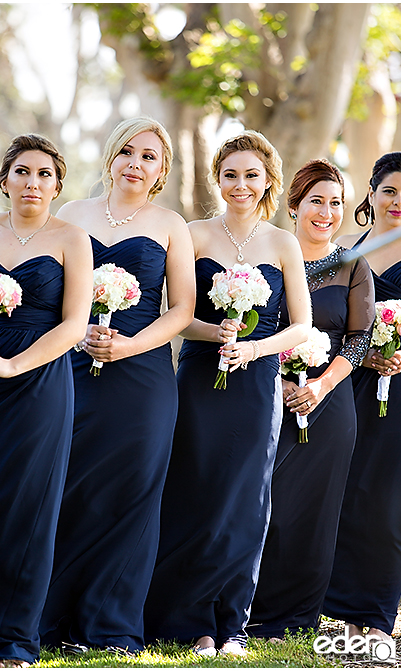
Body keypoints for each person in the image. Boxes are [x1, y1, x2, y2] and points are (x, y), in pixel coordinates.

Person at [143, 130, 311, 657]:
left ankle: (232, 623)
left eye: (251, 175)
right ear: (217, 179)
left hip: (257, 385)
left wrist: (256, 352)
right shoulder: (192, 234)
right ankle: (188, 620)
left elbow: (301, 326)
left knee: (245, 500)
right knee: (194, 492)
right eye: (230, 174)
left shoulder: (283, 243)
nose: (240, 184)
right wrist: (215, 333)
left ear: (267, 182)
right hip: (199, 377)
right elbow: (175, 314)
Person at [39, 117, 195, 655]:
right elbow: (53, 293)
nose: (136, 163)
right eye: (128, 151)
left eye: (149, 157)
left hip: (143, 376)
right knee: (71, 485)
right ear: (110, 156)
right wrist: (75, 334)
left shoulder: (171, 224)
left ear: (161, 171)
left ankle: (108, 625)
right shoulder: (72, 215)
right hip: (73, 366)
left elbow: (183, 309)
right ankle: (52, 617)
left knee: (133, 493)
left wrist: (129, 346)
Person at [0, 134, 93, 667]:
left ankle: (12, 636)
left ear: (57, 185)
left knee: (29, 506)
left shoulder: (71, 239)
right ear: (4, 179)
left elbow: (76, 323)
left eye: (43, 174)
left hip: (39, 380)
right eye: (22, 172)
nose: (32, 183)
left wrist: (14, 365)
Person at [248, 159, 374, 639]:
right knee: (263, 500)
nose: (326, 212)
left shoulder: (352, 265)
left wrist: (320, 386)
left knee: (315, 510)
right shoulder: (269, 256)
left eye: (336, 203)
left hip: (330, 399)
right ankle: (246, 603)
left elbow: (359, 339)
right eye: (316, 201)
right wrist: (275, 380)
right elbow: (253, 325)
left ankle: (295, 616)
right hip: (265, 393)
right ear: (294, 204)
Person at [323, 152, 401, 642]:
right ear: (371, 194)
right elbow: (322, 317)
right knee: (334, 491)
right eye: (390, 190)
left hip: (395, 396)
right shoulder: (344, 251)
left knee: (382, 500)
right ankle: (320, 600)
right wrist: (359, 354)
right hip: (341, 383)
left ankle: (371, 615)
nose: (398, 201)